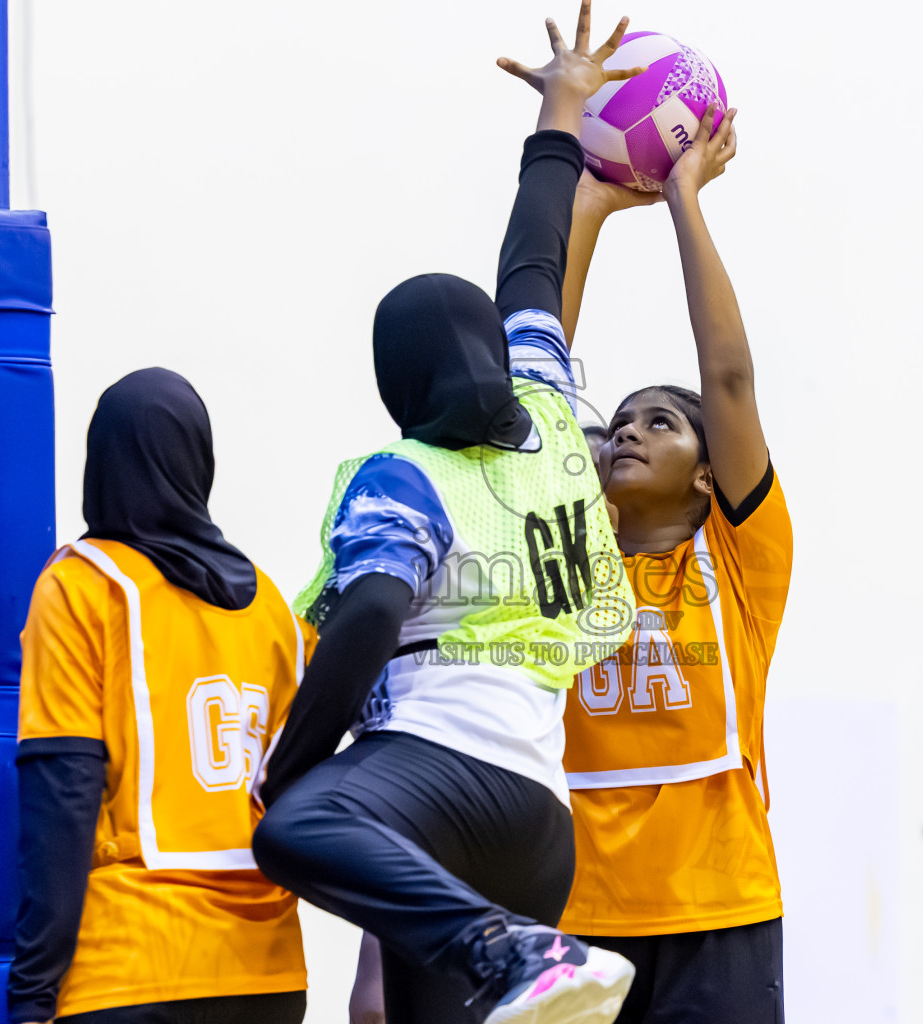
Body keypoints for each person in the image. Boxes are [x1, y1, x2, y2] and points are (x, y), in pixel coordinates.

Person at [250, 4, 643, 1022]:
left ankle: (504, 943)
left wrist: (288, 767)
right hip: (540, 817)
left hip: (436, 771)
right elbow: (533, 262)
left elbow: (372, 618)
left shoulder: (404, 469)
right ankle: (518, 946)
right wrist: (563, 107)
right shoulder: (555, 417)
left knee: (294, 827)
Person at [557, 103, 794, 1024]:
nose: (626, 431)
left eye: (660, 421)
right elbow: (528, 376)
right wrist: (587, 204)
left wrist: (683, 199)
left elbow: (727, 378)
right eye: (618, 421)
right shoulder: (567, 555)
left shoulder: (740, 560)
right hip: (578, 917)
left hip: (719, 912)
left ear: (707, 473)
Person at [8, 369, 309, 1024]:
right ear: (200, 464)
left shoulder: (86, 588)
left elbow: (61, 797)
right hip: (269, 976)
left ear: (102, 464)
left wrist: (31, 992)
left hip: (134, 967)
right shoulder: (273, 611)